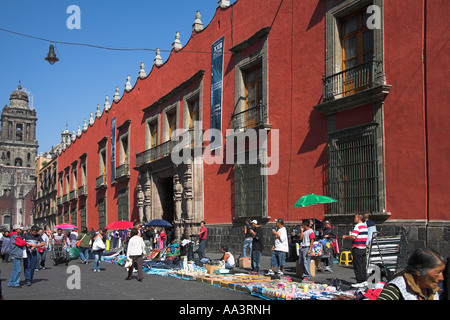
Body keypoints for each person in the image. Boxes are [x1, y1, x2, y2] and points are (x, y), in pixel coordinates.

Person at [378, 248, 445, 300]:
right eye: (438, 272)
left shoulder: (431, 292)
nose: (441, 278)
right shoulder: (395, 290)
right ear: (419, 271)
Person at [343, 213, 368, 288]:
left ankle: (359, 281)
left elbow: (353, 237)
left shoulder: (358, 226)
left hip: (357, 247)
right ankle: (364, 280)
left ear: (358, 218)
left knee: (357, 265)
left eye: (355, 217)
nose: (354, 219)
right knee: (363, 265)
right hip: (363, 247)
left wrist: (346, 236)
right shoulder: (365, 226)